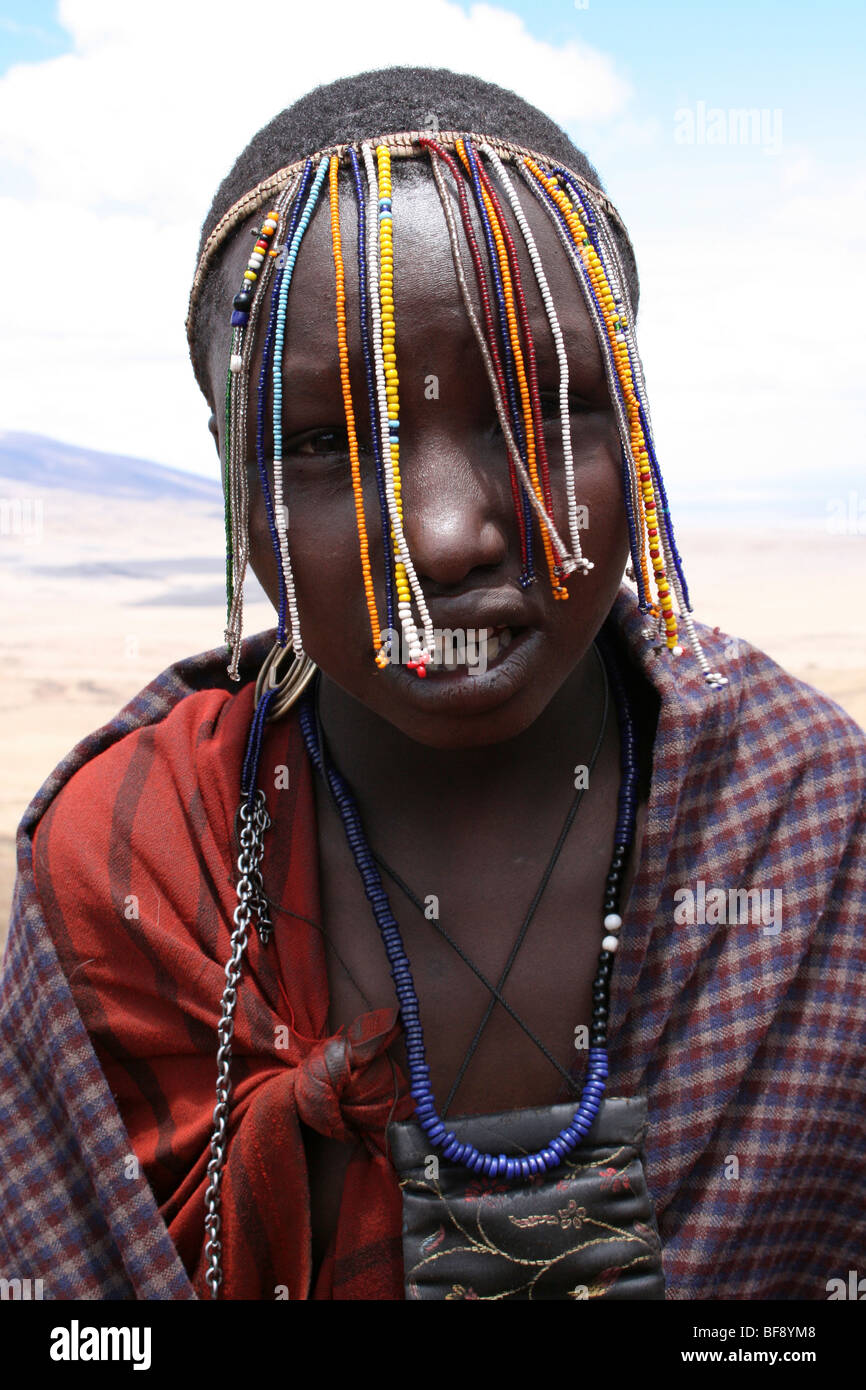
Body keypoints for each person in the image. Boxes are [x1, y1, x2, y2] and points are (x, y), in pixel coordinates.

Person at [2, 67, 865, 1302]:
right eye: (318, 439)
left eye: (545, 406)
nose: (450, 535)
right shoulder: (125, 865)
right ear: (231, 477)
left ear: (634, 417)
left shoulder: (811, 821)